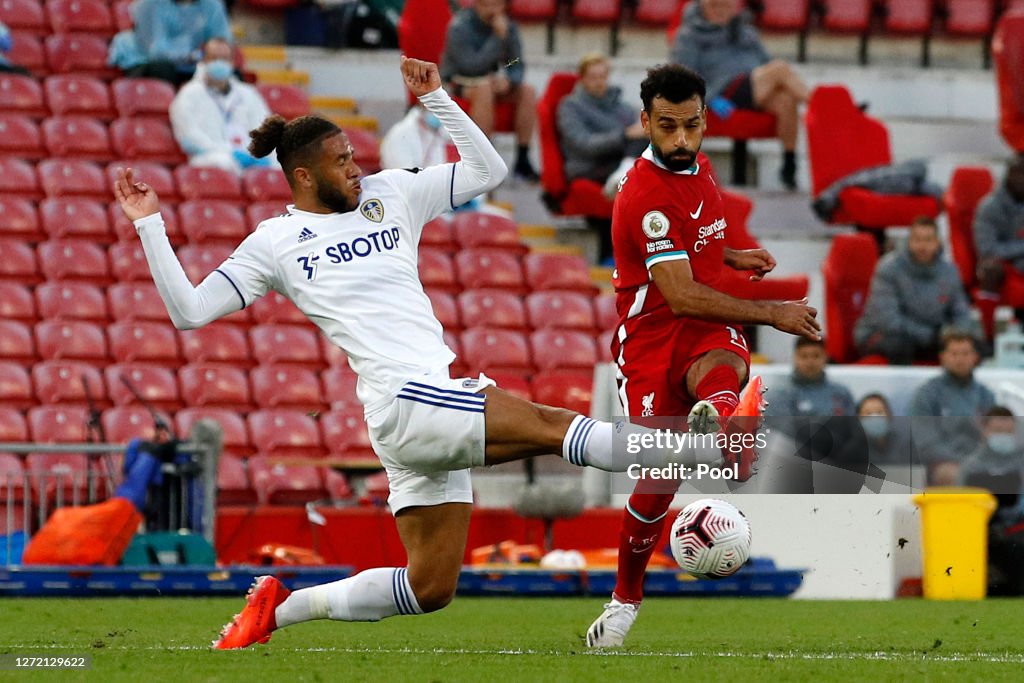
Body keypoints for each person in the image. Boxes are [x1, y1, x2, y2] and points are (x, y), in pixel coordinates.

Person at [114, 57, 715, 650]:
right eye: (341, 160)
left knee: (430, 586)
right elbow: (189, 311)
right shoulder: (273, 243)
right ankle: (708, 448)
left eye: (353, 155)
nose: (356, 167)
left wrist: (436, 100)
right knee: (553, 426)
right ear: (302, 176)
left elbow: (488, 170)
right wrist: (150, 226)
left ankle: (280, 609)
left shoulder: (391, 193)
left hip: (421, 407)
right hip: (406, 401)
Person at [584, 63, 821, 649]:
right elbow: (680, 292)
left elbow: (700, 249)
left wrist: (733, 256)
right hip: (649, 338)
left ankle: (718, 411)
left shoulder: (699, 165)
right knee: (656, 484)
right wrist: (774, 311)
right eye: (667, 127)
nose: (682, 140)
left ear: (704, 118)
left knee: (726, 360)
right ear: (645, 121)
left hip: (702, 327)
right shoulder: (644, 197)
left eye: (691, 125)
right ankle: (624, 602)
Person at [670, 0, 809, 190]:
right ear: (702, 7)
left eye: (726, 6)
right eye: (715, 6)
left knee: (786, 100)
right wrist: (709, 98)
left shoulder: (747, 33)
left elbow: (765, 62)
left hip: (754, 88)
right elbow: (683, 77)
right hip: (722, 91)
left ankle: (789, 164)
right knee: (780, 69)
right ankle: (823, 105)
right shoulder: (689, 35)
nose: (721, 11)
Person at [855, 216, 979, 364]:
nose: (922, 246)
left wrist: (956, 335)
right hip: (884, 334)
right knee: (900, 345)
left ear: (938, 243)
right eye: (917, 240)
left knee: (975, 345)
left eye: (928, 240)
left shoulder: (950, 272)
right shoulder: (889, 269)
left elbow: (961, 313)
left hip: (934, 335)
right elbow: (887, 320)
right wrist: (930, 335)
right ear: (909, 241)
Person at [439, 0, 539, 181]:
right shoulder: (459, 26)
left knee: (528, 91)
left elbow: (515, 61)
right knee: (484, 89)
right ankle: (486, 158)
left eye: (496, 5)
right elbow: (471, 66)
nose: (492, 10)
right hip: (459, 81)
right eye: (486, 5)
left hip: (493, 80)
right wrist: (498, 38)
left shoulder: (509, 26)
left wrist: (509, 79)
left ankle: (523, 158)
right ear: (476, 4)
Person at [169, 38, 276, 175]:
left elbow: (265, 128)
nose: (219, 63)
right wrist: (227, 152)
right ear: (204, 61)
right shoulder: (189, 95)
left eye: (224, 59)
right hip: (209, 158)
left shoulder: (248, 94)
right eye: (214, 58)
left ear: (232, 62)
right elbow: (189, 138)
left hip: (249, 156)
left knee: (279, 164)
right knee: (224, 163)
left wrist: (257, 153)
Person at [910, 330, 995, 486]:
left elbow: (993, 437)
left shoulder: (986, 396)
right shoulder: (927, 394)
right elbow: (925, 443)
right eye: (954, 354)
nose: (960, 359)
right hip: (941, 464)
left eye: (965, 353)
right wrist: (963, 462)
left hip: (979, 461)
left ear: (975, 357)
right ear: (942, 357)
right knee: (956, 475)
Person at [960, 406, 1024, 595]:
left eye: (1008, 431)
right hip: (983, 530)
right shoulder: (970, 466)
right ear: (985, 431)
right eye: (998, 431)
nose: (1003, 436)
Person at [973, 154, 1024, 341]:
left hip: (1018, 259)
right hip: (1002, 264)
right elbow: (988, 249)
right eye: (1020, 174)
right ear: (1009, 176)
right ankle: (986, 335)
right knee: (989, 269)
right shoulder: (989, 206)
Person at [129, 0, 232, 85]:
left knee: (230, 73)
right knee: (163, 68)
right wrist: (192, 57)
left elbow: (221, 43)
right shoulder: (150, 4)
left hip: (191, 64)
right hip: (147, 62)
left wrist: (212, 56)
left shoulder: (212, 4)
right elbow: (156, 51)